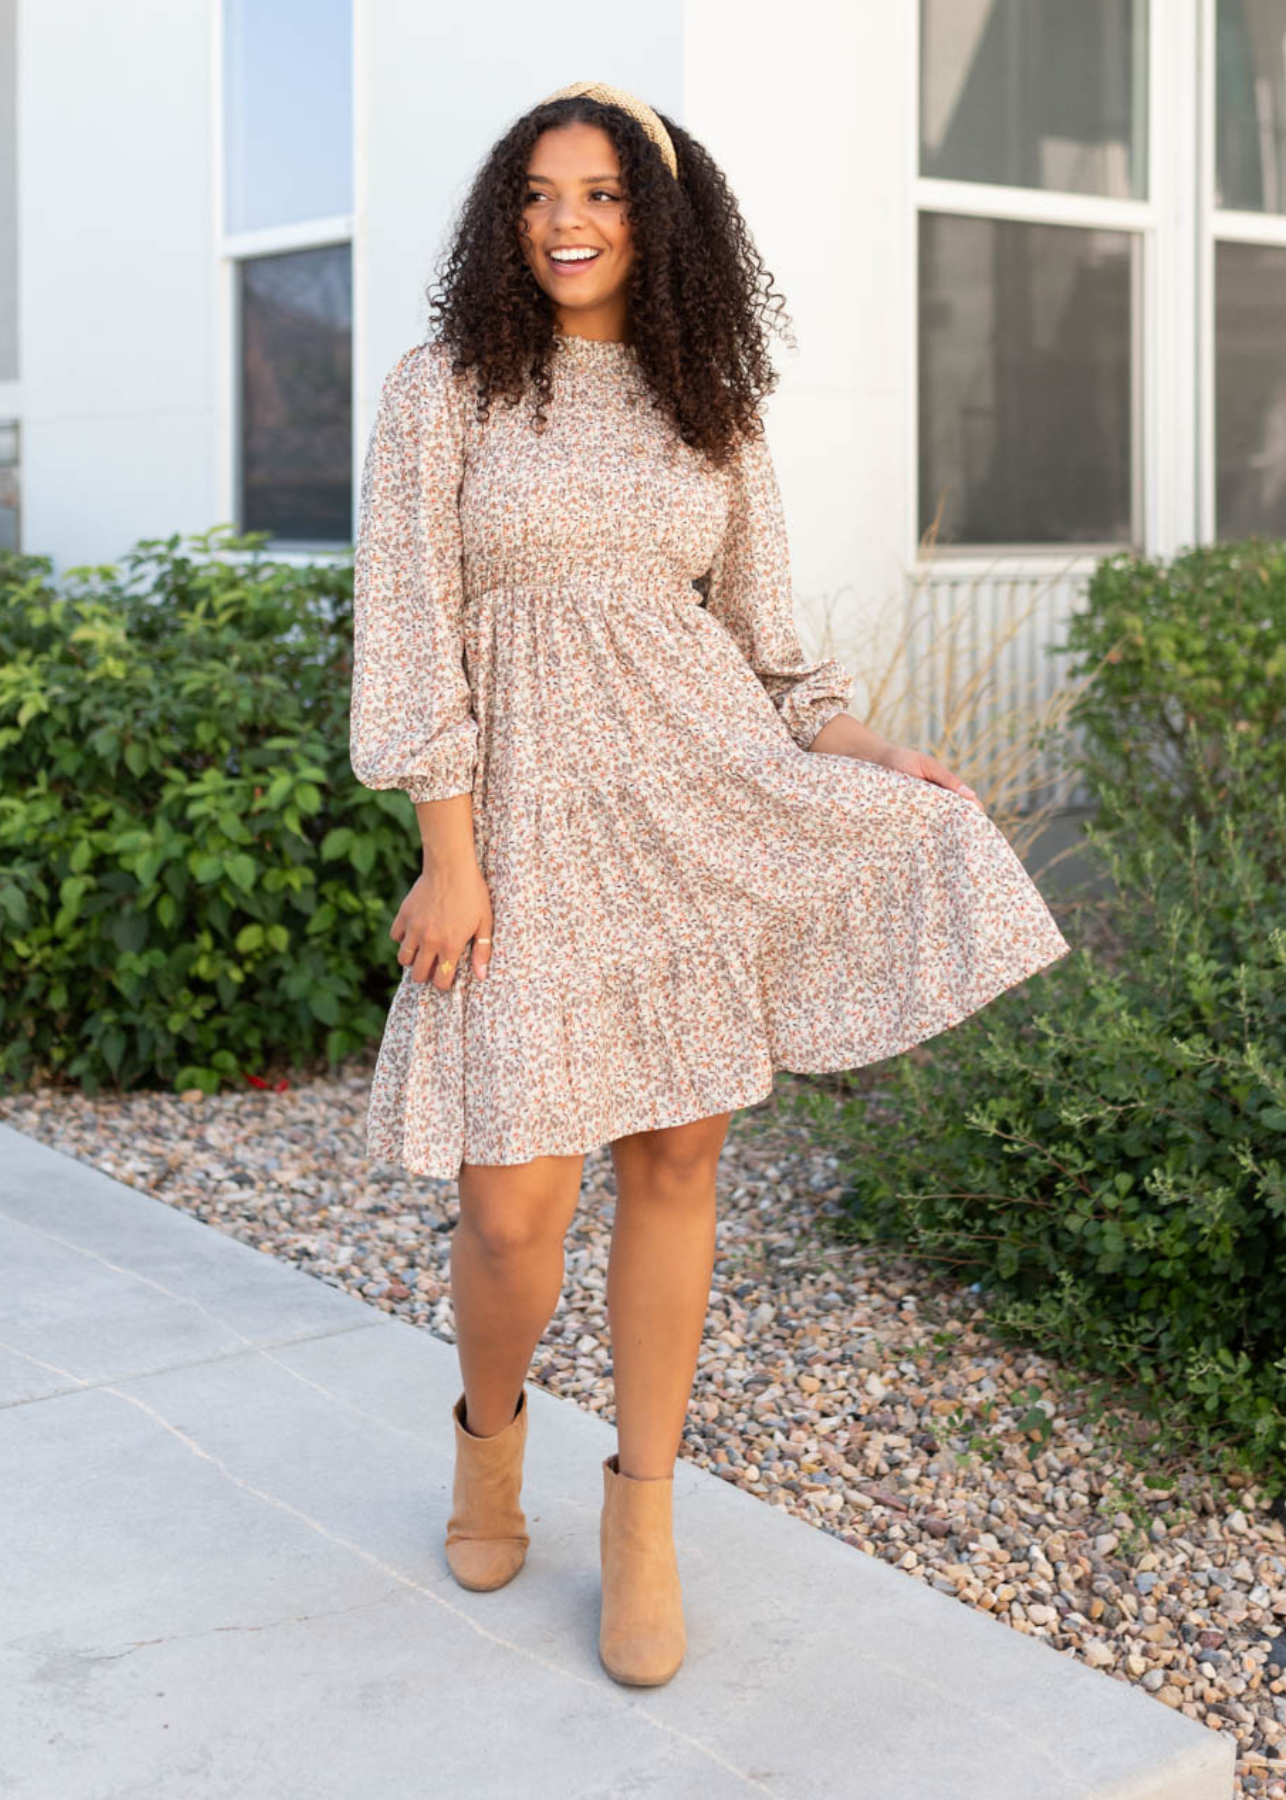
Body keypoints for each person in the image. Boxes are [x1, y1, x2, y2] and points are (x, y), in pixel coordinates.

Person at [348, 79, 1071, 1688]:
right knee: (512, 1203)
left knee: (676, 1163)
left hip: (694, 806)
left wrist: (869, 756)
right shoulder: (444, 389)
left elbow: (769, 649)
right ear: (501, 214)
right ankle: (487, 1436)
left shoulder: (705, 401)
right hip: (524, 837)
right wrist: (447, 854)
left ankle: (644, 1514)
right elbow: (406, 634)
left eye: (601, 195)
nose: (566, 224)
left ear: (655, 219)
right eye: (538, 194)